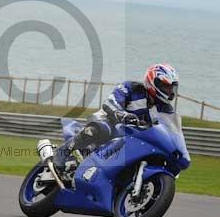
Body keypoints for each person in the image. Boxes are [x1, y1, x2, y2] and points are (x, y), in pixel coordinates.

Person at [54, 63, 185, 173]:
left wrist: (179, 153)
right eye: (165, 86)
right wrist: (122, 114)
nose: (169, 91)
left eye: (171, 87)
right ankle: (63, 151)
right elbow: (110, 102)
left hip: (131, 137)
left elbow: (172, 131)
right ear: (153, 82)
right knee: (101, 128)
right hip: (109, 121)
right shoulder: (131, 88)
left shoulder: (166, 109)